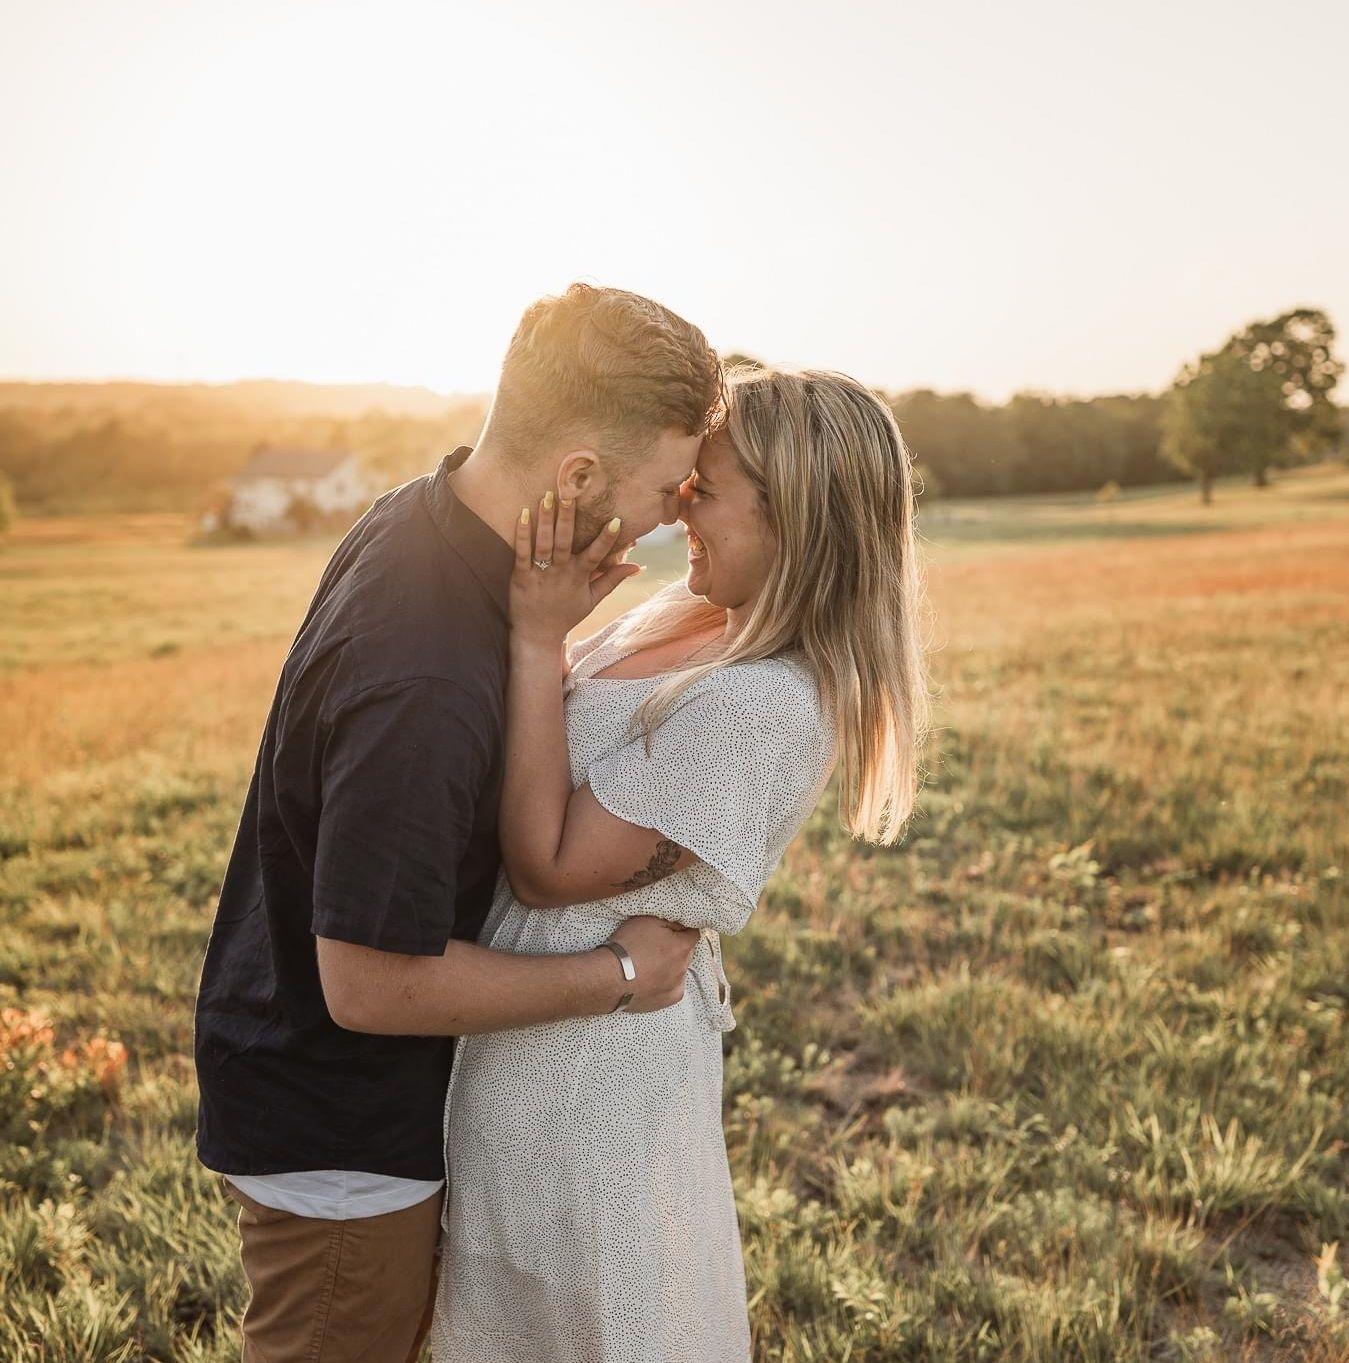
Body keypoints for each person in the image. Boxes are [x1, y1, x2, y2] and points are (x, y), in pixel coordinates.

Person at [192, 282, 726, 1363]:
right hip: (345, 1142)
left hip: (332, 1099)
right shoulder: (425, 672)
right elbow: (367, 981)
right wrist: (621, 975)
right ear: (577, 475)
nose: (678, 513)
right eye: (667, 486)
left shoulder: (422, 517)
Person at [430, 366, 934, 1363]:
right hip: (520, 1032)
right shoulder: (687, 616)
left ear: (793, 512)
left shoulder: (764, 704)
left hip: (586, 1082)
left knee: (593, 1325)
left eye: (708, 486)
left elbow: (549, 864)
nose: (680, 508)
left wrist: (537, 639)